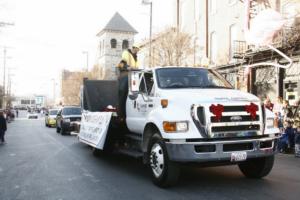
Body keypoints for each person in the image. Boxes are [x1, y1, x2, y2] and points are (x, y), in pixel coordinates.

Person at [117, 44, 140, 119]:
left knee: (133, 97)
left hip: (133, 77)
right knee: (123, 96)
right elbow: (121, 65)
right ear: (133, 48)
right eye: (136, 48)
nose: (137, 50)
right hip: (125, 76)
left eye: (138, 49)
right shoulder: (126, 53)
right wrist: (127, 67)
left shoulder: (136, 57)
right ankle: (121, 115)